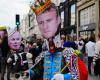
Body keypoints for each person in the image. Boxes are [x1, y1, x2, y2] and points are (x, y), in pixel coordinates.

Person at [28, 0, 88, 80]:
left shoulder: (69, 53)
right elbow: (37, 72)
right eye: (41, 22)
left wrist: (64, 77)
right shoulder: (42, 56)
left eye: (49, 20)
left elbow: (80, 75)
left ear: (58, 20)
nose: (45, 26)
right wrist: (29, 73)